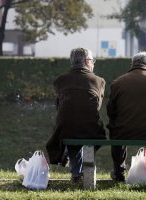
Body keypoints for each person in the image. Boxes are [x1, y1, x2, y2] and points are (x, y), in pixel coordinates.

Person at [106, 51, 146, 183]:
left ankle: (119, 173)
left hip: (124, 131)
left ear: (133, 64)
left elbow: (111, 110)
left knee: (115, 130)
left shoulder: (117, 82)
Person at [46, 47, 106, 182]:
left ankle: (76, 173)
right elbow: (96, 107)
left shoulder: (60, 80)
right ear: (86, 61)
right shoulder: (98, 81)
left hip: (65, 128)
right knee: (90, 130)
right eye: (92, 61)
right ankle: (80, 170)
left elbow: (59, 105)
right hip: (91, 129)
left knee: (71, 127)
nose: (93, 63)